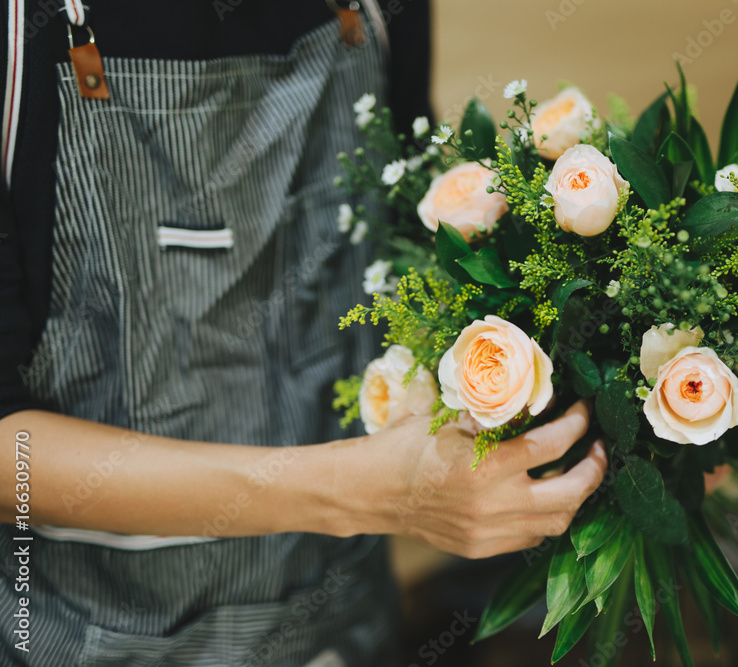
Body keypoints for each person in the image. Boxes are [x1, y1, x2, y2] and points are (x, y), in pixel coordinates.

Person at [0, 1, 607, 664]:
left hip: (346, 626)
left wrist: (618, 386)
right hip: (85, 636)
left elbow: (410, 250)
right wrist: (361, 492)